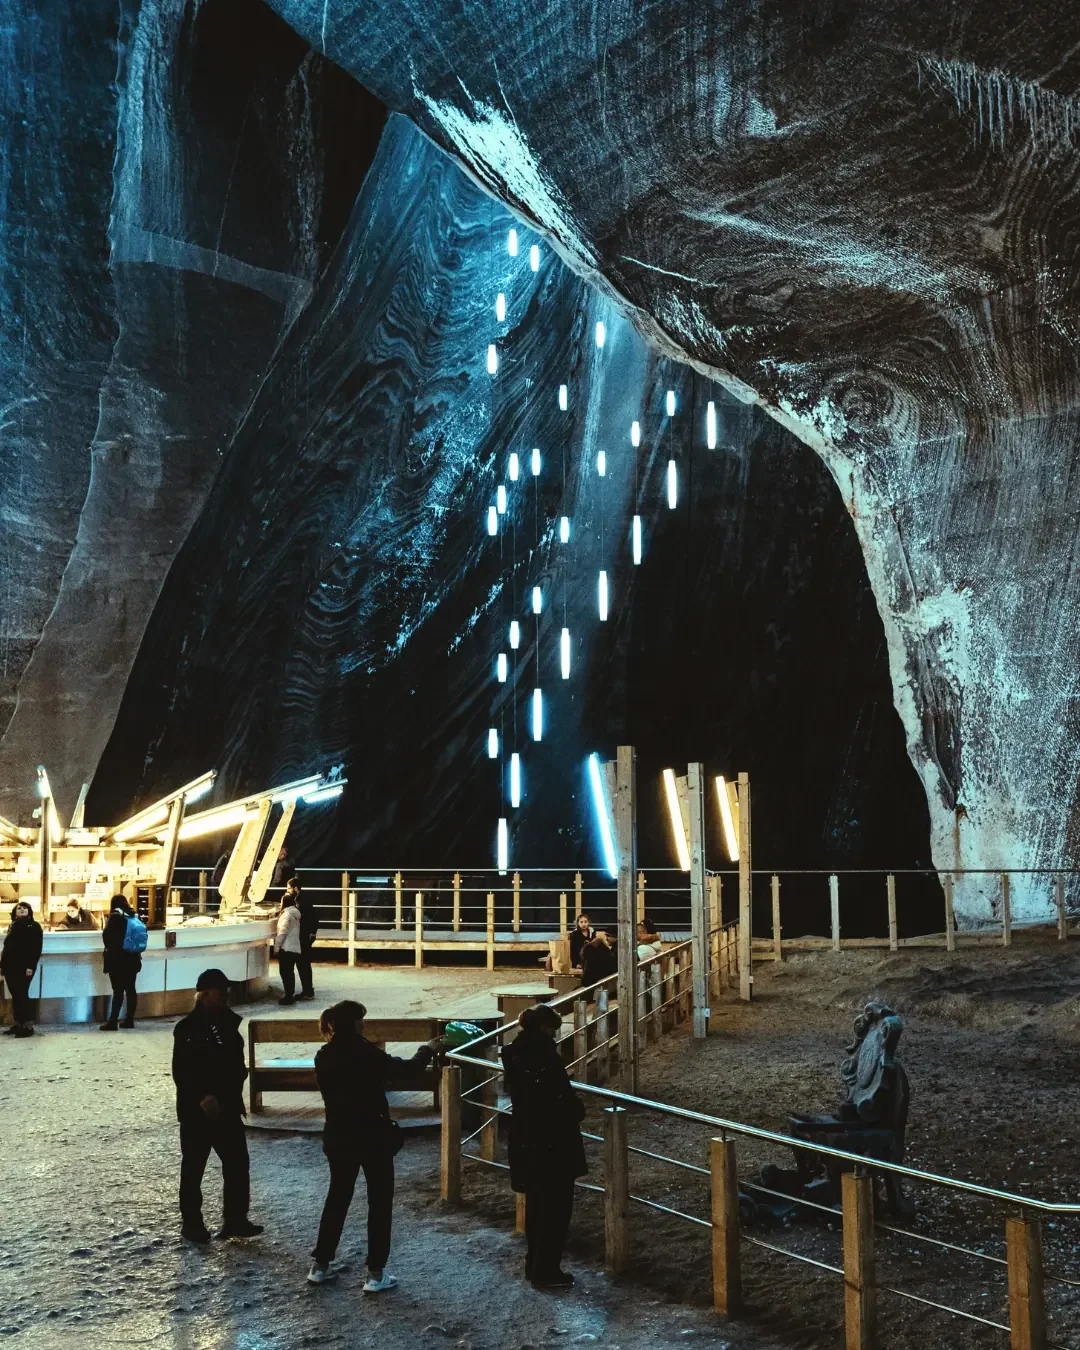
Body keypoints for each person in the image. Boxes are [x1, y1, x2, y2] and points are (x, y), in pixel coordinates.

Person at [307, 1000, 441, 1289]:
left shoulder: (324, 1056)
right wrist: (427, 1049)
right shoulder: (368, 1054)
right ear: (356, 1024)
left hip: (338, 1135)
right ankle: (375, 1273)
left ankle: (320, 1265)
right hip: (371, 1136)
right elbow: (408, 1070)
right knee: (379, 1203)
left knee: (337, 1199)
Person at [172, 968, 263, 1244]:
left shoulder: (225, 1025)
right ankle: (195, 1223)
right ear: (206, 994)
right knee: (196, 1168)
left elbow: (233, 1066)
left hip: (222, 1106)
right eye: (222, 990)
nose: (227, 995)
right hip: (199, 1110)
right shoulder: (189, 1029)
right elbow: (183, 1071)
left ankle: (233, 1219)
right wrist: (203, 1096)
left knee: (234, 1164)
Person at [502, 1003, 586, 1288]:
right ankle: (546, 1271)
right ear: (545, 1028)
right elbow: (557, 1101)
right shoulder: (545, 1057)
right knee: (556, 1209)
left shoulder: (513, 1053)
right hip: (553, 1143)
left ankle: (534, 1264)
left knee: (536, 1208)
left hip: (526, 1140)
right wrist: (576, 1107)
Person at [1, 901, 43, 1037]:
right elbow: (8, 947)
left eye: (25, 908)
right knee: (16, 995)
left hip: (24, 967)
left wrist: (31, 966)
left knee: (22, 995)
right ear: (14, 912)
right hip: (10, 966)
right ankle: (19, 1024)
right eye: (19, 908)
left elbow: (35, 948)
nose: (22, 910)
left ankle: (27, 1026)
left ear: (30, 911)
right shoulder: (13, 925)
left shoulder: (34, 926)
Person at [100, 895, 141, 1030]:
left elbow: (107, 936)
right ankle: (129, 1020)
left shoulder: (115, 916)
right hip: (133, 958)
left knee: (118, 991)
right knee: (130, 989)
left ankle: (113, 1021)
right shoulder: (134, 915)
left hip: (117, 960)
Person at [291, 878, 318, 1002]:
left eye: (288, 888)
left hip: (303, 936)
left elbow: (310, 917)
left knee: (303, 964)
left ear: (295, 888)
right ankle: (308, 990)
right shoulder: (303, 899)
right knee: (304, 964)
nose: (287, 890)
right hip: (306, 935)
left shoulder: (302, 901)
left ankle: (307, 991)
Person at [274, 889, 302, 1005]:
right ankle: (290, 994)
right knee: (290, 973)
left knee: (285, 973)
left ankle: (288, 996)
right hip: (294, 947)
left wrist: (276, 948)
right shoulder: (295, 913)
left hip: (286, 948)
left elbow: (282, 933)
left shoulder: (287, 915)